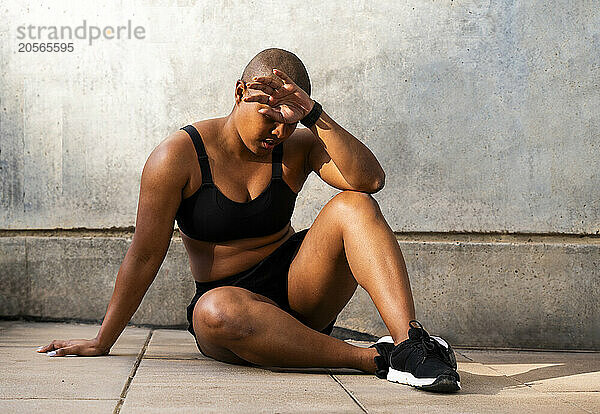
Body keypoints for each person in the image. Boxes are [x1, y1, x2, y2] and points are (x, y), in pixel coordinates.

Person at [37, 48, 460, 392]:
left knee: (356, 205)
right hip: (234, 306)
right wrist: (102, 340)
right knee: (214, 311)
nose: (277, 132)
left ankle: (410, 344)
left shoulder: (298, 143)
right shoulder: (178, 157)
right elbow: (145, 254)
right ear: (241, 92)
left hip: (300, 288)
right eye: (269, 117)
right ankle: (376, 359)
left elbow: (371, 180)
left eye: (287, 122)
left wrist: (314, 117)